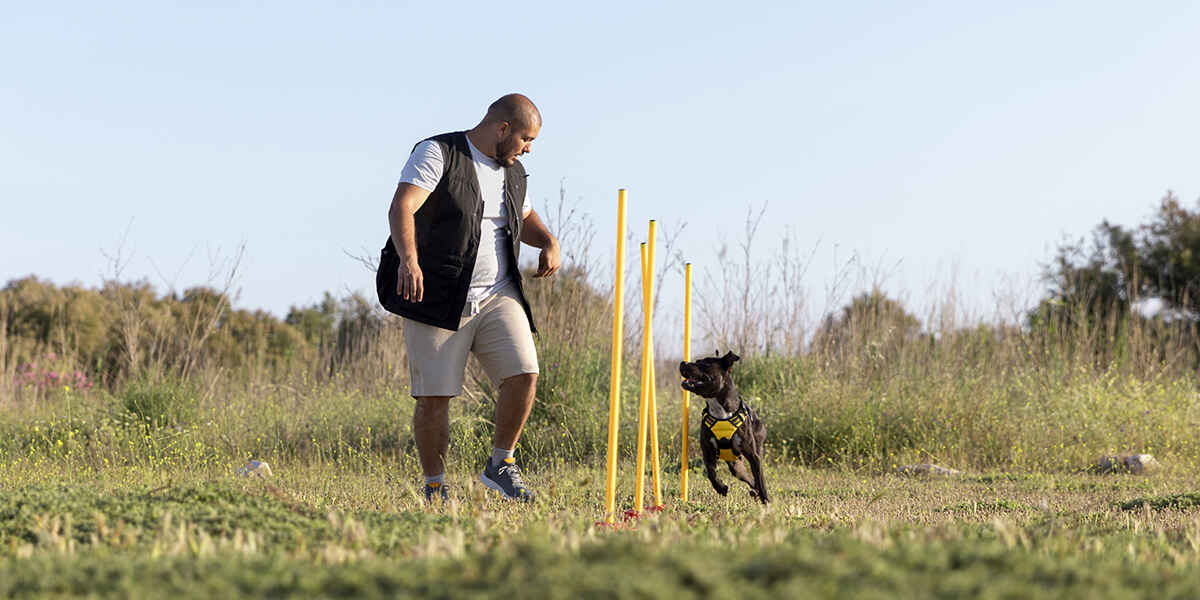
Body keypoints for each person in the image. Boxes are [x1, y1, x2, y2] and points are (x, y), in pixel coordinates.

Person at [381, 93, 560, 503]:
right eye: (525, 139)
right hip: (437, 296)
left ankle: (501, 466)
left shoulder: (513, 171)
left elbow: (524, 217)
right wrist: (409, 259)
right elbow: (402, 206)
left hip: (499, 294)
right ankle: (435, 486)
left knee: (524, 373)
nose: (528, 148)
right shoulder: (438, 152)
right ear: (502, 129)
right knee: (434, 398)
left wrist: (547, 240)